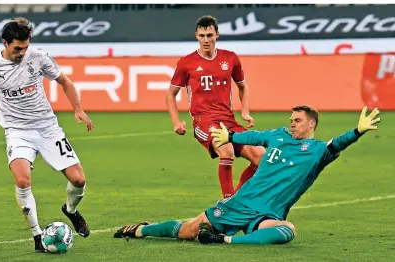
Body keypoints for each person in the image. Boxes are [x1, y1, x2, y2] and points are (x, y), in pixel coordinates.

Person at [113, 105, 381, 245]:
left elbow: (337, 143)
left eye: (297, 120)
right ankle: (141, 229)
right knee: (188, 230)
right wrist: (230, 135)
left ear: (311, 123)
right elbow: (255, 136)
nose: (292, 123)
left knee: (286, 230)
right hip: (242, 202)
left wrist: (356, 132)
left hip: (268, 215)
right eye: (291, 118)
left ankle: (227, 240)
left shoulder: (316, 151)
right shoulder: (278, 135)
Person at [0, 17, 94, 252]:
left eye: (26, 47)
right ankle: (38, 236)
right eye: (18, 48)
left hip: (48, 128)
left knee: (79, 180)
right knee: (22, 179)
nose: (23, 52)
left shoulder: (38, 57)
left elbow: (64, 81)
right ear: (5, 44)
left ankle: (69, 210)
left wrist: (78, 108)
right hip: (17, 131)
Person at [166, 15, 265, 198]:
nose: (205, 40)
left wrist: (245, 111)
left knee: (262, 157)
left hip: (228, 121)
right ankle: (227, 203)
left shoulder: (230, 58)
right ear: (196, 35)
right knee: (226, 149)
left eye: (209, 35)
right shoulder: (186, 63)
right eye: (202, 35)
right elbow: (170, 94)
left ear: (217, 35)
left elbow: (242, 86)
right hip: (204, 121)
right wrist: (176, 122)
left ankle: (237, 198)